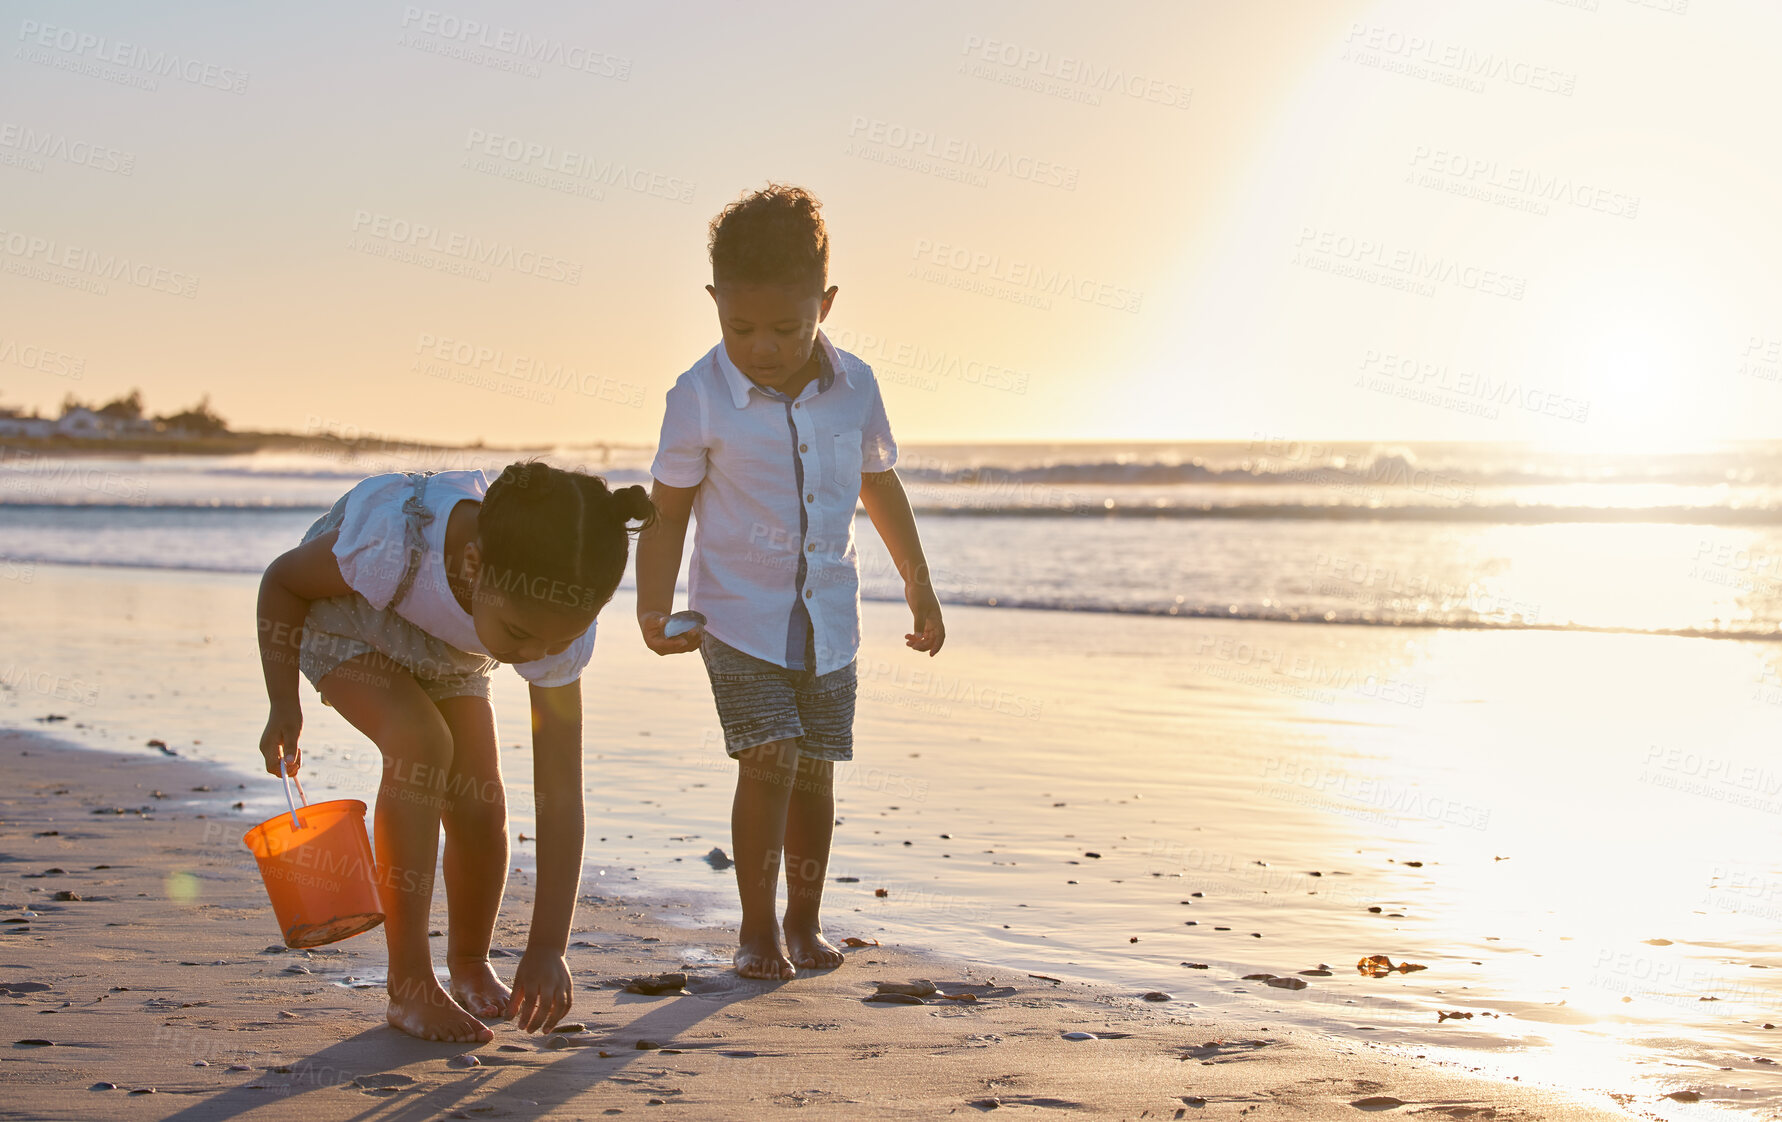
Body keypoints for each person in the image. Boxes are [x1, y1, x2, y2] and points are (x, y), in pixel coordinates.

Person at [635, 184, 945, 981]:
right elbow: (666, 514)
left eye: (786, 326)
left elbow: (880, 486)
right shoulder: (698, 397)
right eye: (740, 327)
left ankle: (804, 923)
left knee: (814, 774)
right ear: (714, 303)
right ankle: (756, 931)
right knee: (768, 759)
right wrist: (651, 608)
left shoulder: (858, 388)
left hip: (829, 623)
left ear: (826, 304)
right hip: (734, 619)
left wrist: (919, 586)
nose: (763, 346)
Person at [256, 461, 653, 1041]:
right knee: (422, 744)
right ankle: (409, 984)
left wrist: (548, 947)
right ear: (474, 565)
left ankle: (468, 961)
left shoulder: (553, 616)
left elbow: (561, 792)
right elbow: (283, 583)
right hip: (345, 628)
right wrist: (282, 706)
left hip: (447, 656)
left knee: (480, 803)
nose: (535, 655)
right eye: (520, 635)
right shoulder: (396, 543)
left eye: (558, 639)